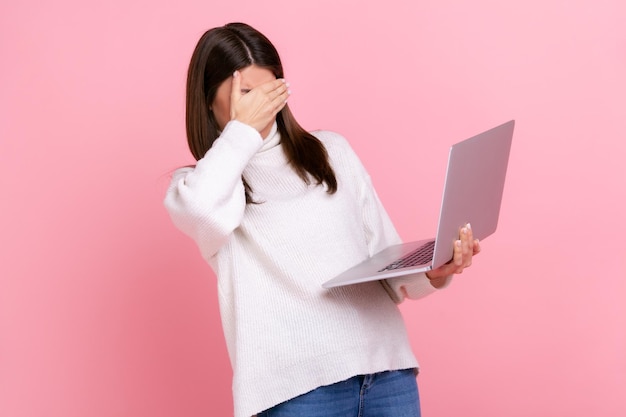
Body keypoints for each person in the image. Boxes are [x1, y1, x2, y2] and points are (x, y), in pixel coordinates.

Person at [164, 22, 480, 417]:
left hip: (387, 375)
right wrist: (242, 132)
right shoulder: (203, 185)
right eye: (246, 94)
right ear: (209, 102)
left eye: (271, 90)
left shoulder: (332, 151)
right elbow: (199, 210)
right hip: (296, 394)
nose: (263, 105)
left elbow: (386, 261)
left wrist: (434, 270)